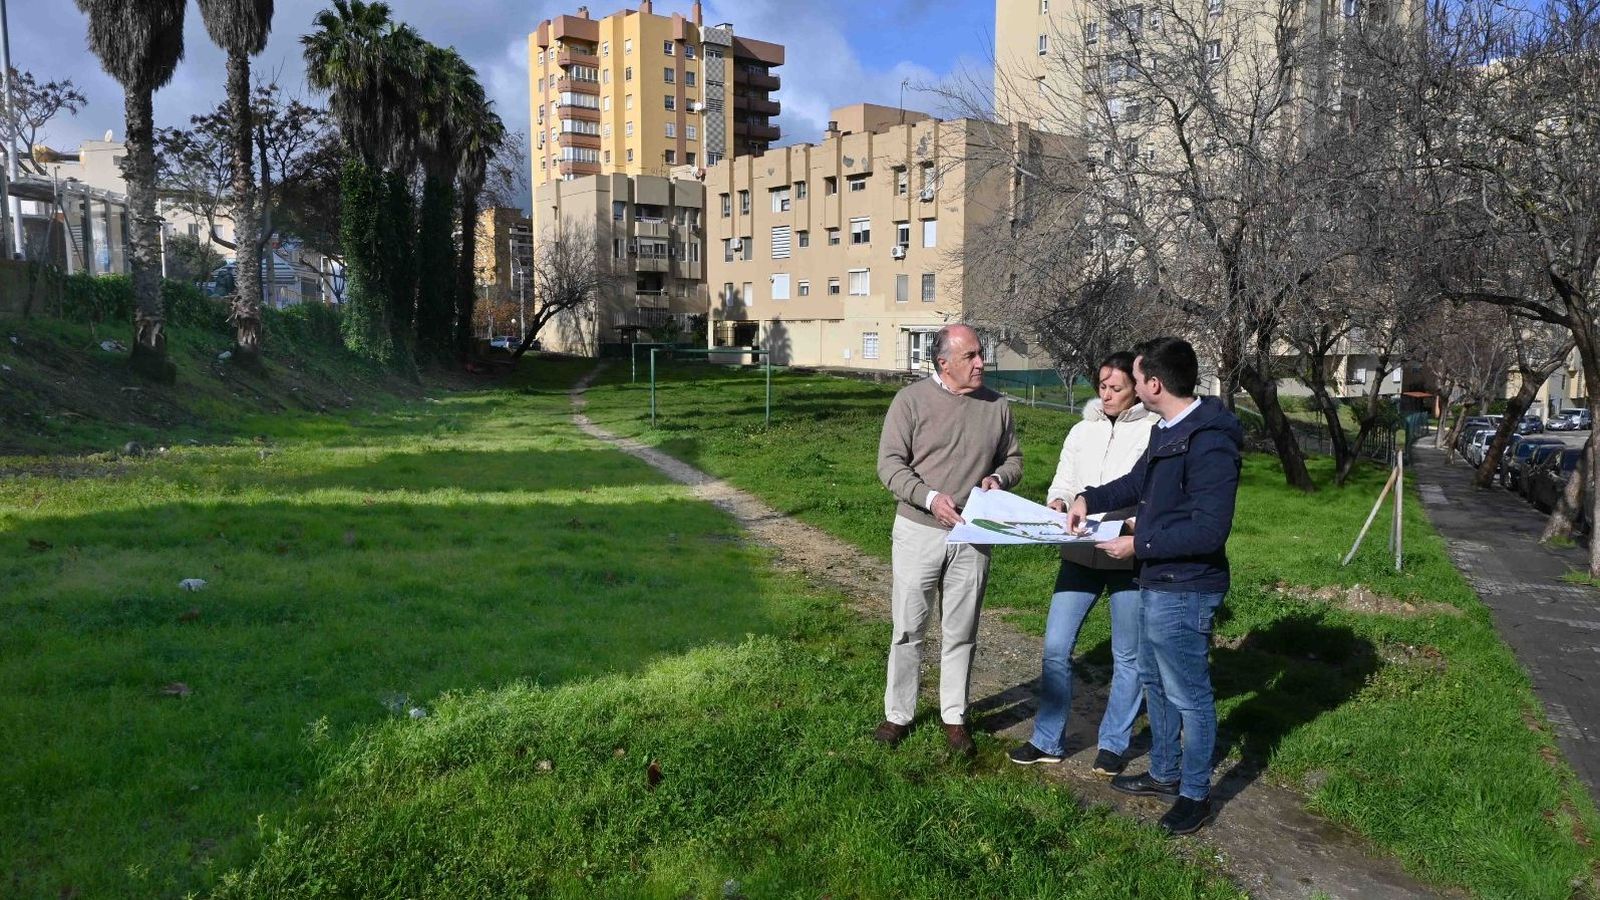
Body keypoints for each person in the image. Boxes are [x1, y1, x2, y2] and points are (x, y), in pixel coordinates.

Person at [1066, 336, 1242, 835]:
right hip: (1156, 579)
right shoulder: (1167, 429)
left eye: (1137, 377)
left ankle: (1195, 793)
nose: (1132, 384)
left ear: (1154, 384)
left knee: (1189, 694)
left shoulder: (1210, 439)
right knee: (1155, 682)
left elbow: (1210, 530)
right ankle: (1165, 773)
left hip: (1186, 585)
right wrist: (1088, 496)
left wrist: (1138, 546)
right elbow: (1136, 483)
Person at [874, 323, 1023, 757]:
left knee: (961, 630)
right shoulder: (910, 401)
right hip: (919, 529)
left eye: (981, 354)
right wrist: (929, 497)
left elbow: (1013, 459)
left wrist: (999, 477)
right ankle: (899, 713)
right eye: (971, 356)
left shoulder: (997, 406)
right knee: (908, 627)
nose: (982, 363)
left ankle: (954, 717)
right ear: (944, 363)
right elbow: (889, 465)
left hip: (973, 535)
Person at [1008, 352, 1154, 776]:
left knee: (1128, 656)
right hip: (1077, 553)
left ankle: (1113, 744)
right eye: (1102, 387)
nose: (1106, 395)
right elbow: (1064, 480)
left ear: (1136, 388)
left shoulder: (1152, 431)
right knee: (1055, 648)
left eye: (1117, 388)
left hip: (1126, 557)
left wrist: (1132, 528)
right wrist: (1057, 500)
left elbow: (1150, 493)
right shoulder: (1080, 430)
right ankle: (1046, 739)